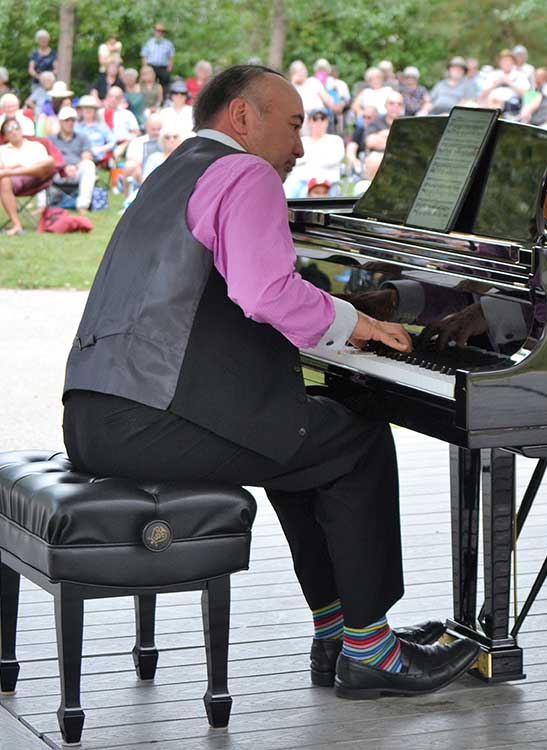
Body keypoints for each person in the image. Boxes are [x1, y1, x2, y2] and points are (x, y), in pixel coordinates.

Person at [61, 64, 479, 697]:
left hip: (96, 417)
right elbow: (265, 292)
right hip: (152, 416)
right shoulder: (245, 172)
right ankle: (371, 652)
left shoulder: (172, 172)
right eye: (292, 125)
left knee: (292, 430)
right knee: (354, 439)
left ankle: (338, 632)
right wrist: (358, 321)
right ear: (241, 117)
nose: (300, 147)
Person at [0, 117, 55, 235]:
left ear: (21, 130)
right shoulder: (2, 150)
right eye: (9, 129)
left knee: (50, 160)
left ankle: (11, 173)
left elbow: (45, 165)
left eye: (16, 127)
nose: (14, 131)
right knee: (4, 179)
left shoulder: (36, 145)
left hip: (38, 178)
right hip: (13, 182)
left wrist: (14, 169)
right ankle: (16, 225)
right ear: (4, 136)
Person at [283, 109, 345, 198]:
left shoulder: (335, 140)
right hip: (301, 181)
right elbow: (295, 161)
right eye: (315, 119)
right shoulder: (303, 141)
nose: (319, 122)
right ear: (309, 122)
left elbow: (333, 160)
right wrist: (320, 155)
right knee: (289, 190)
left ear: (327, 122)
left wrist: (308, 158)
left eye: (322, 119)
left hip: (328, 182)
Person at [49, 107, 97, 212]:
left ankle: (82, 205)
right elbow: (50, 157)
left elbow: (87, 155)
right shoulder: (51, 139)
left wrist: (75, 167)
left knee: (89, 165)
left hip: (77, 170)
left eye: (72, 120)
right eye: (67, 120)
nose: (70, 123)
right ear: (60, 122)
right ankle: (41, 205)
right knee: (44, 166)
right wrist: (63, 168)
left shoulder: (82, 137)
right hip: (58, 171)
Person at [74, 95, 115, 165]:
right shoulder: (76, 126)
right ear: (81, 110)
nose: (88, 110)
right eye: (85, 108)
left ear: (95, 110)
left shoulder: (101, 125)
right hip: (79, 156)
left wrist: (100, 149)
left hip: (97, 157)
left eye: (91, 108)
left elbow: (113, 141)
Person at [141, 22, 175, 93]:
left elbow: (171, 58)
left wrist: (169, 69)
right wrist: (145, 67)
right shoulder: (149, 43)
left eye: (161, 31)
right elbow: (144, 56)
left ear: (164, 33)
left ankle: (164, 99)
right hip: (151, 66)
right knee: (149, 83)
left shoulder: (168, 44)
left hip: (163, 67)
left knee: (165, 84)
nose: (159, 33)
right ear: (154, 32)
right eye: (157, 31)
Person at [27, 30, 57, 99]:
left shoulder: (53, 53)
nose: (43, 40)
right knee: (34, 99)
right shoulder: (34, 54)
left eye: (45, 38)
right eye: (41, 39)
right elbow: (31, 69)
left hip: (50, 83)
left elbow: (56, 69)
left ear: (48, 40)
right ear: (37, 41)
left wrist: (47, 78)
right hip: (37, 82)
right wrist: (40, 77)